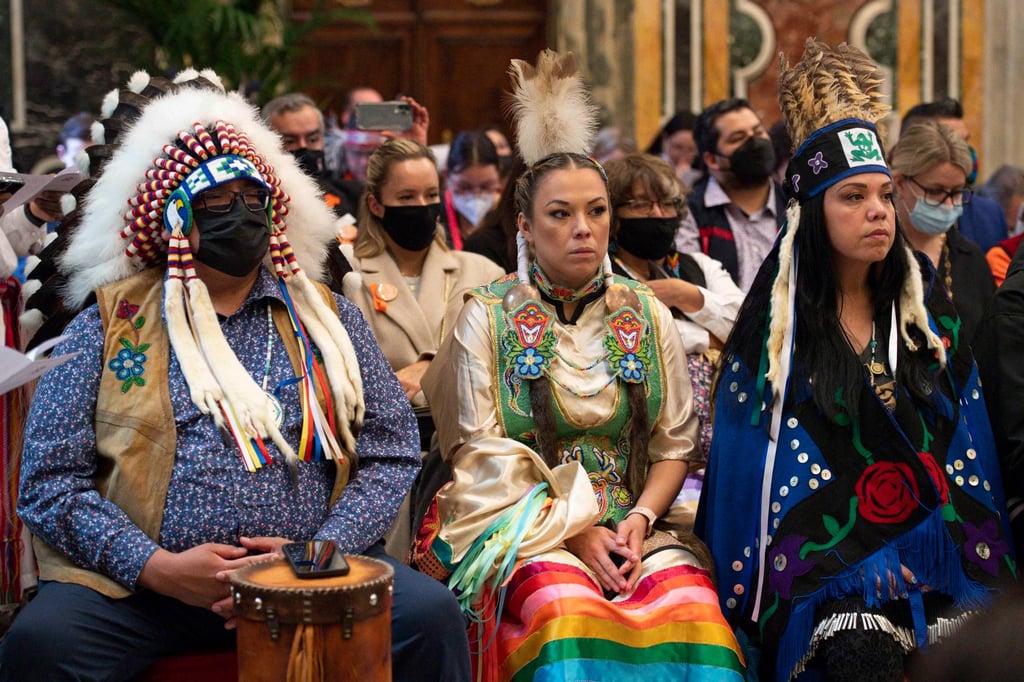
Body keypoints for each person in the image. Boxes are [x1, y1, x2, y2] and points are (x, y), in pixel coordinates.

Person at [0, 69, 470, 681]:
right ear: (175, 221)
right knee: (39, 645)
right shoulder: (111, 323)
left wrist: (319, 550)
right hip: (140, 591)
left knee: (431, 616)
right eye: (216, 205)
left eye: (254, 203)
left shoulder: (327, 318)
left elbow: (391, 449)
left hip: (314, 569)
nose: (240, 216)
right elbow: (50, 481)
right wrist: (156, 567)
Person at [412, 49, 745, 681]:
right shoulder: (485, 312)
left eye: (596, 211)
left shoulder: (644, 311)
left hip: (637, 524)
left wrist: (641, 522)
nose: (583, 229)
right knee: (565, 615)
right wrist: (573, 531)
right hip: (520, 525)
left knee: (696, 615)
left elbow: (675, 443)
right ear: (527, 227)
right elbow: (480, 456)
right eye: (561, 215)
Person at [699, 40, 1014, 682]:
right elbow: (759, 481)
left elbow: (965, 451)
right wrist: (859, 556)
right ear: (813, 215)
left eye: (880, 194)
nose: (876, 210)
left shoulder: (927, 316)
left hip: (943, 553)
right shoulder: (776, 336)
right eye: (852, 197)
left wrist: (923, 545)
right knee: (858, 654)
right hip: (830, 575)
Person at [343, 137, 503, 557]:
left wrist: (427, 367)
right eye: (407, 196)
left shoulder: (479, 270)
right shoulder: (351, 278)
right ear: (377, 204)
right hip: (381, 461)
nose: (422, 207)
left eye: (431, 195)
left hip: (464, 464)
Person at [604, 152, 743, 461]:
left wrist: (687, 296)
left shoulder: (697, 266)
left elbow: (750, 326)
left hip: (722, 439)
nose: (657, 214)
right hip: (650, 444)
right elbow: (637, 340)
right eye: (641, 205)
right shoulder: (604, 279)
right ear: (613, 217)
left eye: (666, 203)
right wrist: (707, 338)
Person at [889, 120, 995, 350]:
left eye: (957, 192)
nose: (949, 204)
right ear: (900, 182)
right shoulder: (874, 254)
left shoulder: (971, 259)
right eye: (935, 191)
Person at [675, 98, 786, 292]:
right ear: (712, 159)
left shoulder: (796, 203)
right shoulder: (688, 213)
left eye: (758, 132)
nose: (755, 142)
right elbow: (695, 293)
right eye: (738, 138)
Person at [902, 98, 1007, 253]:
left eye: (965, 141)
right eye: (950, 142)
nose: (963, 153)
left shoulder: (989, 216)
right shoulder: (881, 219)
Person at [443, 130, 503, 249]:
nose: (476, 195)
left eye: (486, 186)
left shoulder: (509, 216)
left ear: (499, 174)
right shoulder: (435, 216)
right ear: (447, 177)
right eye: (464, 187)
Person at [645, 110, 700, 184]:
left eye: (691, 149)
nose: (684, 155)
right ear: (665, 138)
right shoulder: (646, 167)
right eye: (678, 147)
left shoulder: (704, 170)